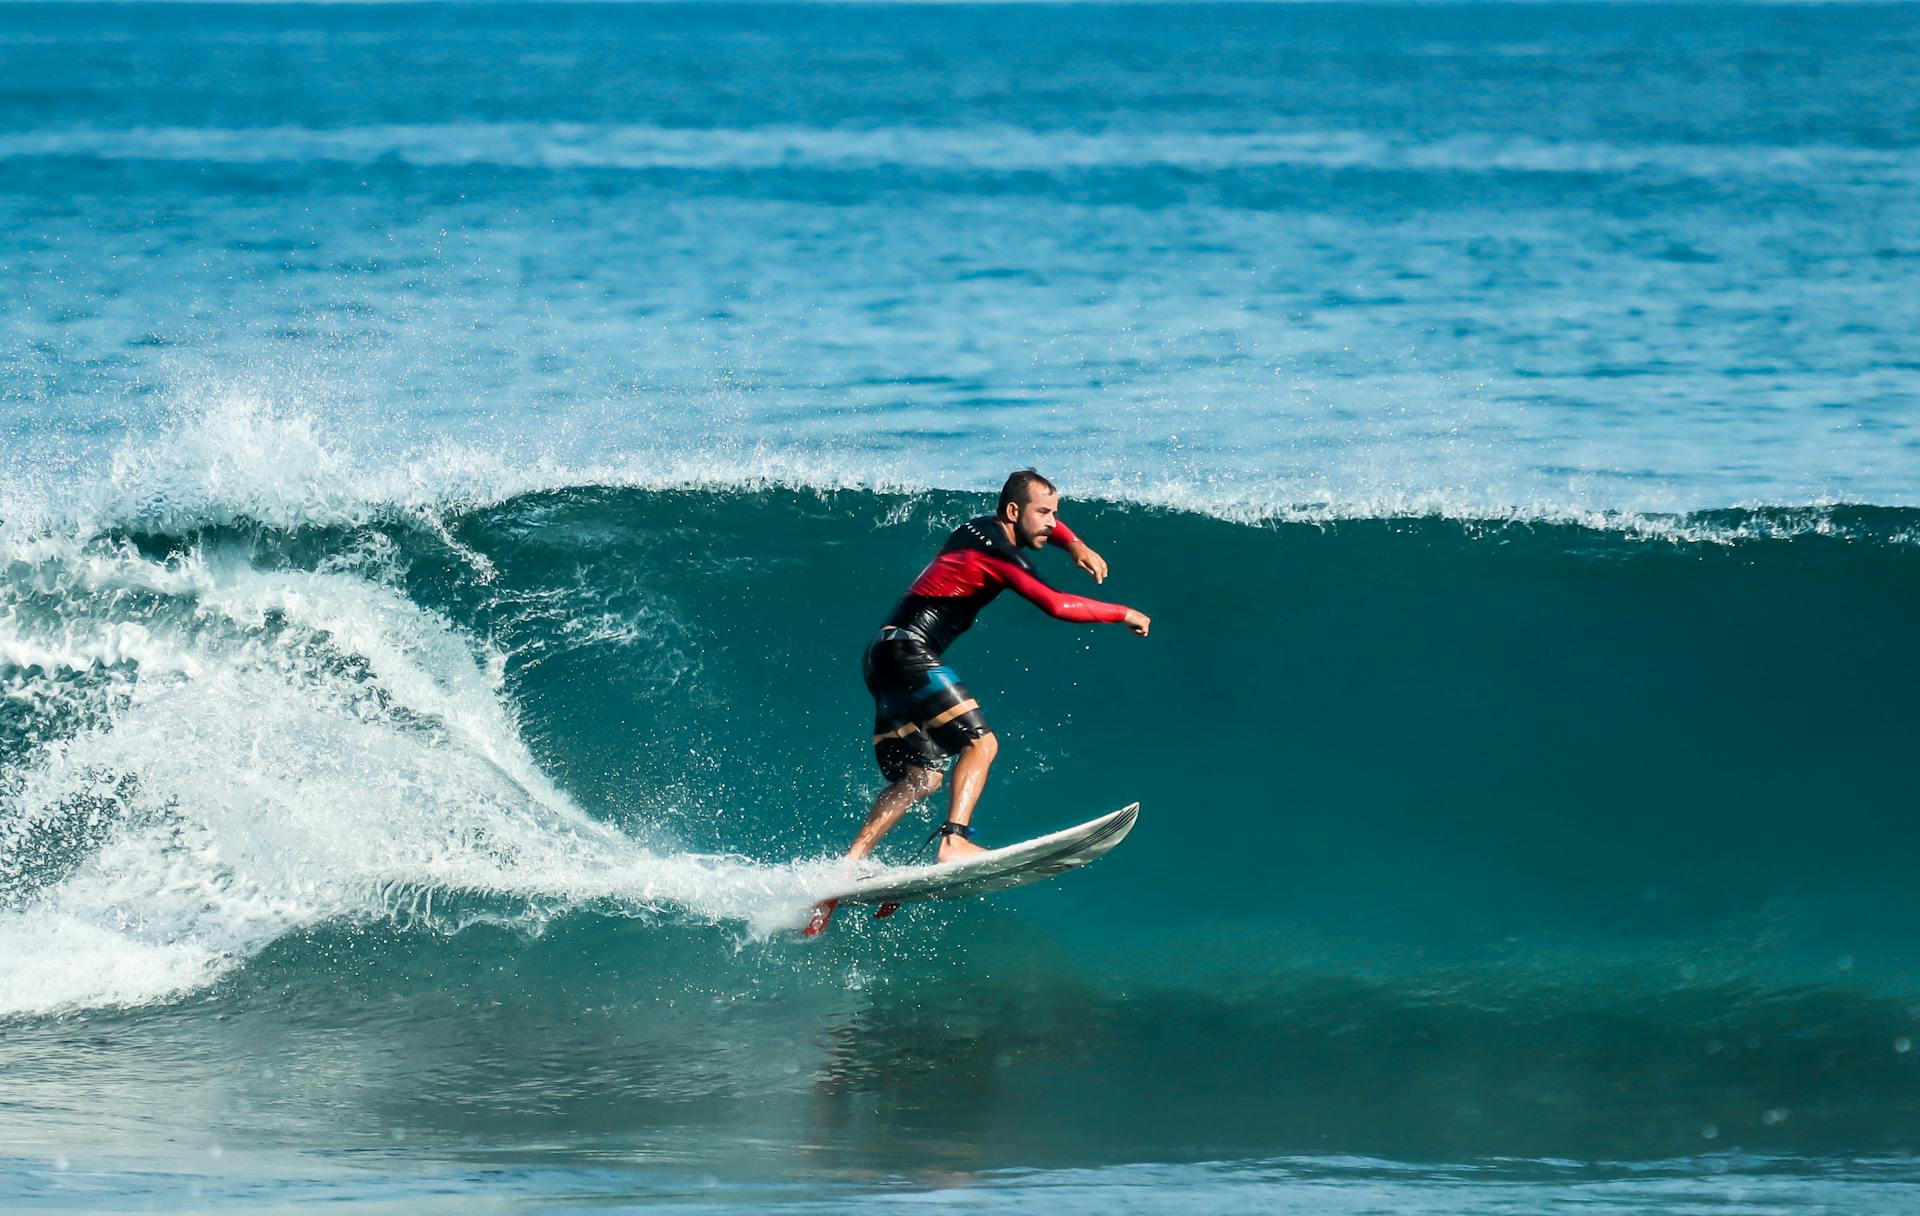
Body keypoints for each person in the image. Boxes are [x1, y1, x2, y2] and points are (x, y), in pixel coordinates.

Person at [841, 468, 1150, 868]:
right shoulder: (1001, 557)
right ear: (1013, 510)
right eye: (1045, 514)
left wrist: (1075, 545)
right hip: (909, 651)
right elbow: (1056, 604)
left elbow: (1042, 523)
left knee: (923, 778)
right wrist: (1122, 613)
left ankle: (850, 862)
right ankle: (953, 841)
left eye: (1056, 514)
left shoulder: (975, 528)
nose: (1052, 524)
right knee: (981, 744)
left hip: (880, 655)